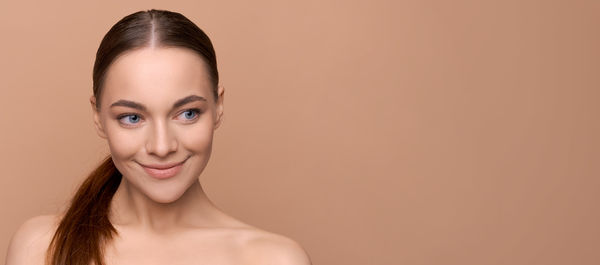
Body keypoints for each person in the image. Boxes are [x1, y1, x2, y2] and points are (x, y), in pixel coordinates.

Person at [5, 9, 312, 265]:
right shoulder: (42, 248)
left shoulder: (274, 259)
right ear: (98, 117)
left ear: (218, 107)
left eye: (187, 113)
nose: (162, 147)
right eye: (132, 118)